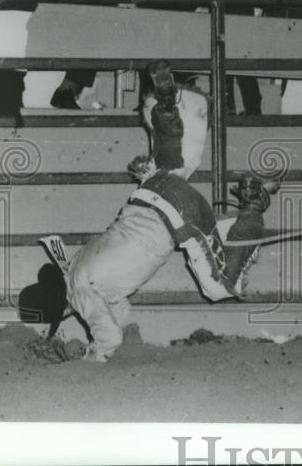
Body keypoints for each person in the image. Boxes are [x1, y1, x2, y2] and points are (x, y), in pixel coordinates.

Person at [61, 63, 257, 362]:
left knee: (220, 287)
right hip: (152, 198)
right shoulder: (81, 266)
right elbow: (117, 309)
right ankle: (170, 107)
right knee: (174, 165)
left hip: (169, 213)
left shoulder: (80, 292)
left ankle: (251, 214)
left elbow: (109, 332)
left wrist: (95, 354)